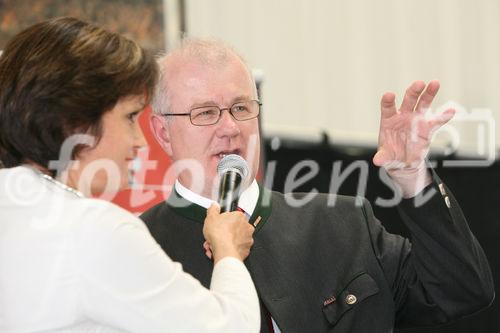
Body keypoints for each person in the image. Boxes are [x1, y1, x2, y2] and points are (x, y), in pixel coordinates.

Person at [141, 38, 495, 333]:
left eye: (241, 107)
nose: (231, 128)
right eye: (205, 113)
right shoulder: (142, 248)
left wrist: (413, 176)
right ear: (162, 133)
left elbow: (461, 291)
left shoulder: (343, 222)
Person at [0, 18, 260, 332]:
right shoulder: (95, 229)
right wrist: (229, 251)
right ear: (76, 121)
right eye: (130, 117)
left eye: (241, 108)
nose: (139, 140)